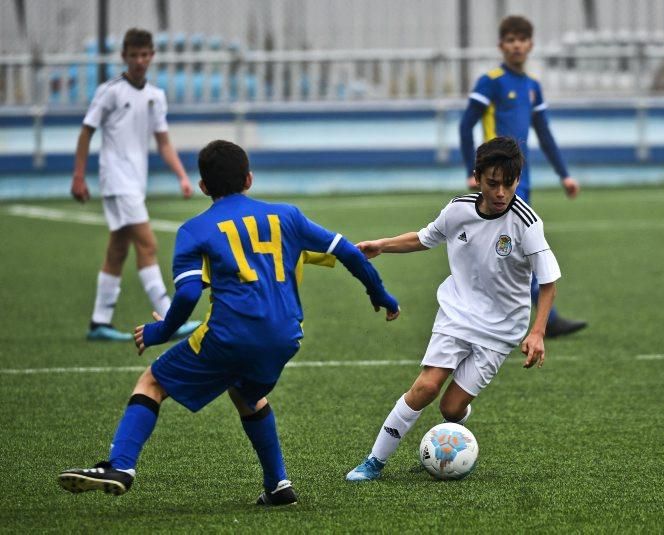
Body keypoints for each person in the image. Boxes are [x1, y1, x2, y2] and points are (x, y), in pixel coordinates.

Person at [58, 140, 400, 505]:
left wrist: (160, 330)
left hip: (230, 335)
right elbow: (347, 250)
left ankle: (121, 465)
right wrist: (380, 295)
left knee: (153, 381)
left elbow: (189, 295)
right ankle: (278, 486)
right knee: (247, 394)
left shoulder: (194, 230)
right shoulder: (287, 216)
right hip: (285, 336)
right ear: (249, 179)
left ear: (203, 187)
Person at [346, 136, 559, 481]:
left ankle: (455, 431)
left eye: (509, 183)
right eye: (493, 183)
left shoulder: (527, 223)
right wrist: (381, 246)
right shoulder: (459, 209)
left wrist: (537, 332)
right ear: (477, 178)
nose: (501, 192)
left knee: (450, 408)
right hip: (457, 313)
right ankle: (374, 461)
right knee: (427, 387)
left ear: (518, 180)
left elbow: (547, 281)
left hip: (502, 329)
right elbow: (425, 237)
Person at [459, 15, 587, 338]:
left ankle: (527, 315)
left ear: (530, 44)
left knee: (516, 246)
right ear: (501, 45)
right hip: (496, 183)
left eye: (522, 39)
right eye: (510, 39)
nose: (516, 44)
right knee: (514, 246)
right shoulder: (491, 81)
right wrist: (472, 172)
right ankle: (540, 317)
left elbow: (544, 134)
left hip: (521, 181)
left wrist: (564, 175)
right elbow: (465, 125)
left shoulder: (532, 87)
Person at [71, 27, 199, 341]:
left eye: (145, 55)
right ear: (124, 57)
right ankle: (171, 318)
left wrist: (182, 176)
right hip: (116, 179)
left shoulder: (156, 96)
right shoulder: (110, 91)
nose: (140, 61)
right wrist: (78, 175)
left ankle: (99, 323)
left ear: (152, 56)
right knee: (148, 244)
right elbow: (87, 131)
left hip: (134, 182)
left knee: (118, 250)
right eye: (134, 55)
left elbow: (164, 143)